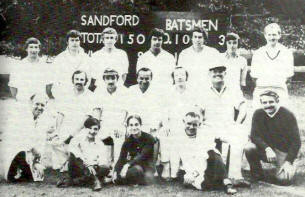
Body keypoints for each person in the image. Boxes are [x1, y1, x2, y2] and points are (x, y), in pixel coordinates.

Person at [196, 62, 250, 187]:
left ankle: (234, 176)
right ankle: (204, 175)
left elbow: (243, 107)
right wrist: (200, 121)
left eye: (220, 71)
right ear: (209, 74)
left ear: (225, 73)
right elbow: (198, 109)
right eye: (214, 71)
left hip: (228, 126)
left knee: (239, 136)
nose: (218, 73)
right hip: (209, 126)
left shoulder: (234, 89)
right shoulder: (203, 90)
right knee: (202, 139)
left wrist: (237, 123)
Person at [170, 111, 237, 194]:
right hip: (189, 169)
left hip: (204, 166)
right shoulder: (178, 137)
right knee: (203, 184)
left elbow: (202, 158)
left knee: (213, 153)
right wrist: (174, 175)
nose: (191, 127)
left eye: (195, 125)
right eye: (189, 123)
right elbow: (175, 158)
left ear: (199, 125)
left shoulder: (203, 136)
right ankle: (225, 182)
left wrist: (194, 174)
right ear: (183, 122)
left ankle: (227, 184)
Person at [244, 90, 301, 185]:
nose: (268, 105)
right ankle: (257, 174)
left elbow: (296, 142)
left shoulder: (287, 115)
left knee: (284, 180)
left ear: (277, 101)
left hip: (282, 151)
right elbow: (254, 135)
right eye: (265, 102)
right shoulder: (258, 114)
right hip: (267, 150)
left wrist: (288, 161)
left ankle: (292, 165)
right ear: (261, 103)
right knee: (249, 148)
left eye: (271, 102)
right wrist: (267, 148)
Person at [0, 94, 56, 182]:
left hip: (30, 154)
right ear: (31, 103)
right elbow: (24, 140)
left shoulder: (40, 121)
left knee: (36, 176)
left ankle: (25, 171)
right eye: (37, 104)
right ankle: (15, 171)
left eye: (42, 105)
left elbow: (40, 142)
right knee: (21, 153)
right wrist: (36, 153)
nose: (39, 107)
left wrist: (37, 160)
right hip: (14, 152)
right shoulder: (22, 116)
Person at [57, 117, 112, 191]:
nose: (92, 131)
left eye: (95, 129)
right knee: (74, 156)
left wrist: (94, 165)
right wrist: (87, 164)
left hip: (93, 168)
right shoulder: (77, 139)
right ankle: (94, 180)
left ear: (98, 130)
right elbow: (74, 152)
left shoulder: (99, 143)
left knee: (105, 167)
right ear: (85, 129)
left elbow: (103, 159)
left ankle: (78, 181)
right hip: (78, 168)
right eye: (90, 128)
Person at [250, 23, 294, 108]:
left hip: (280, 90)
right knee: (259, 118)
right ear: (265, 36)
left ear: (279, 35)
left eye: (274, 34)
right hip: (261, 89)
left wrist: (277, 84)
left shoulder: (286, 53)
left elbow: (289, 77)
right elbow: (254, 77)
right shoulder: (258, 53)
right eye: (269, 35)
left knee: (281, 119)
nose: (272, 37)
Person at [92, 68, 128, 165]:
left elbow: (126, 111)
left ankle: (116, 168)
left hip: (119, 123)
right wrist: (97, 126)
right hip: (104, 123)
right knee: (98, 138)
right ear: (104, 79)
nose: (111, 81)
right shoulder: (99, 91)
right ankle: (104, 165)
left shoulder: (124, 91)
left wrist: (121, 125)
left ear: (117, 79)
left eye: (113, 78)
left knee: (119, 137)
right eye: (108, 78)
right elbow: (96, 111)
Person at [112, 115, 155, 185]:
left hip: (146, 166)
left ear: (141, 125)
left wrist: (127, 165)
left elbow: (142, 156)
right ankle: (131, 179)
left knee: (145, 177)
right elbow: (121, 158)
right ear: (128, 126)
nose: (134, 128)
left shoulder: (148, 138)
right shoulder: (128, 140)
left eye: (136, 124)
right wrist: (115, 171)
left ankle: (131, 180)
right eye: (131, 125)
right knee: (132, 171)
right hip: (133, 165)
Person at [49, 30, 92, 98]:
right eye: (72, 40)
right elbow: (54, 80)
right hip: (64, 96)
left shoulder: (86, 58)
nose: (74, 43)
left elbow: (90, 79)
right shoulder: (59, 59)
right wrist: (59, 95)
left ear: (80, 42)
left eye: (77, 40)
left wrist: (86, 95)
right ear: (67, 42)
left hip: (82, 97)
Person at [8, 37, 50, 104]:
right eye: (31, 47)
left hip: (40, 102)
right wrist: (19, 99)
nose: (33, 50)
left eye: (36, 47)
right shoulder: (18, 66)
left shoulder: (45, 66)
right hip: (23, 101)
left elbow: (48, 86)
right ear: (26, 49)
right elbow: (13, 86)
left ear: (39, 49)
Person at [127, 67, 164, 133]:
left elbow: (159, 113)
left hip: (151, 127)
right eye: (141, 78)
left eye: (147, 79)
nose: (144, 81)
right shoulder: (131, 90)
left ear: (151, 79)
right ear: (137, 79)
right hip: (134, 126)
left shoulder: (157, 92)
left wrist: (155, 128)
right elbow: (129, 111)